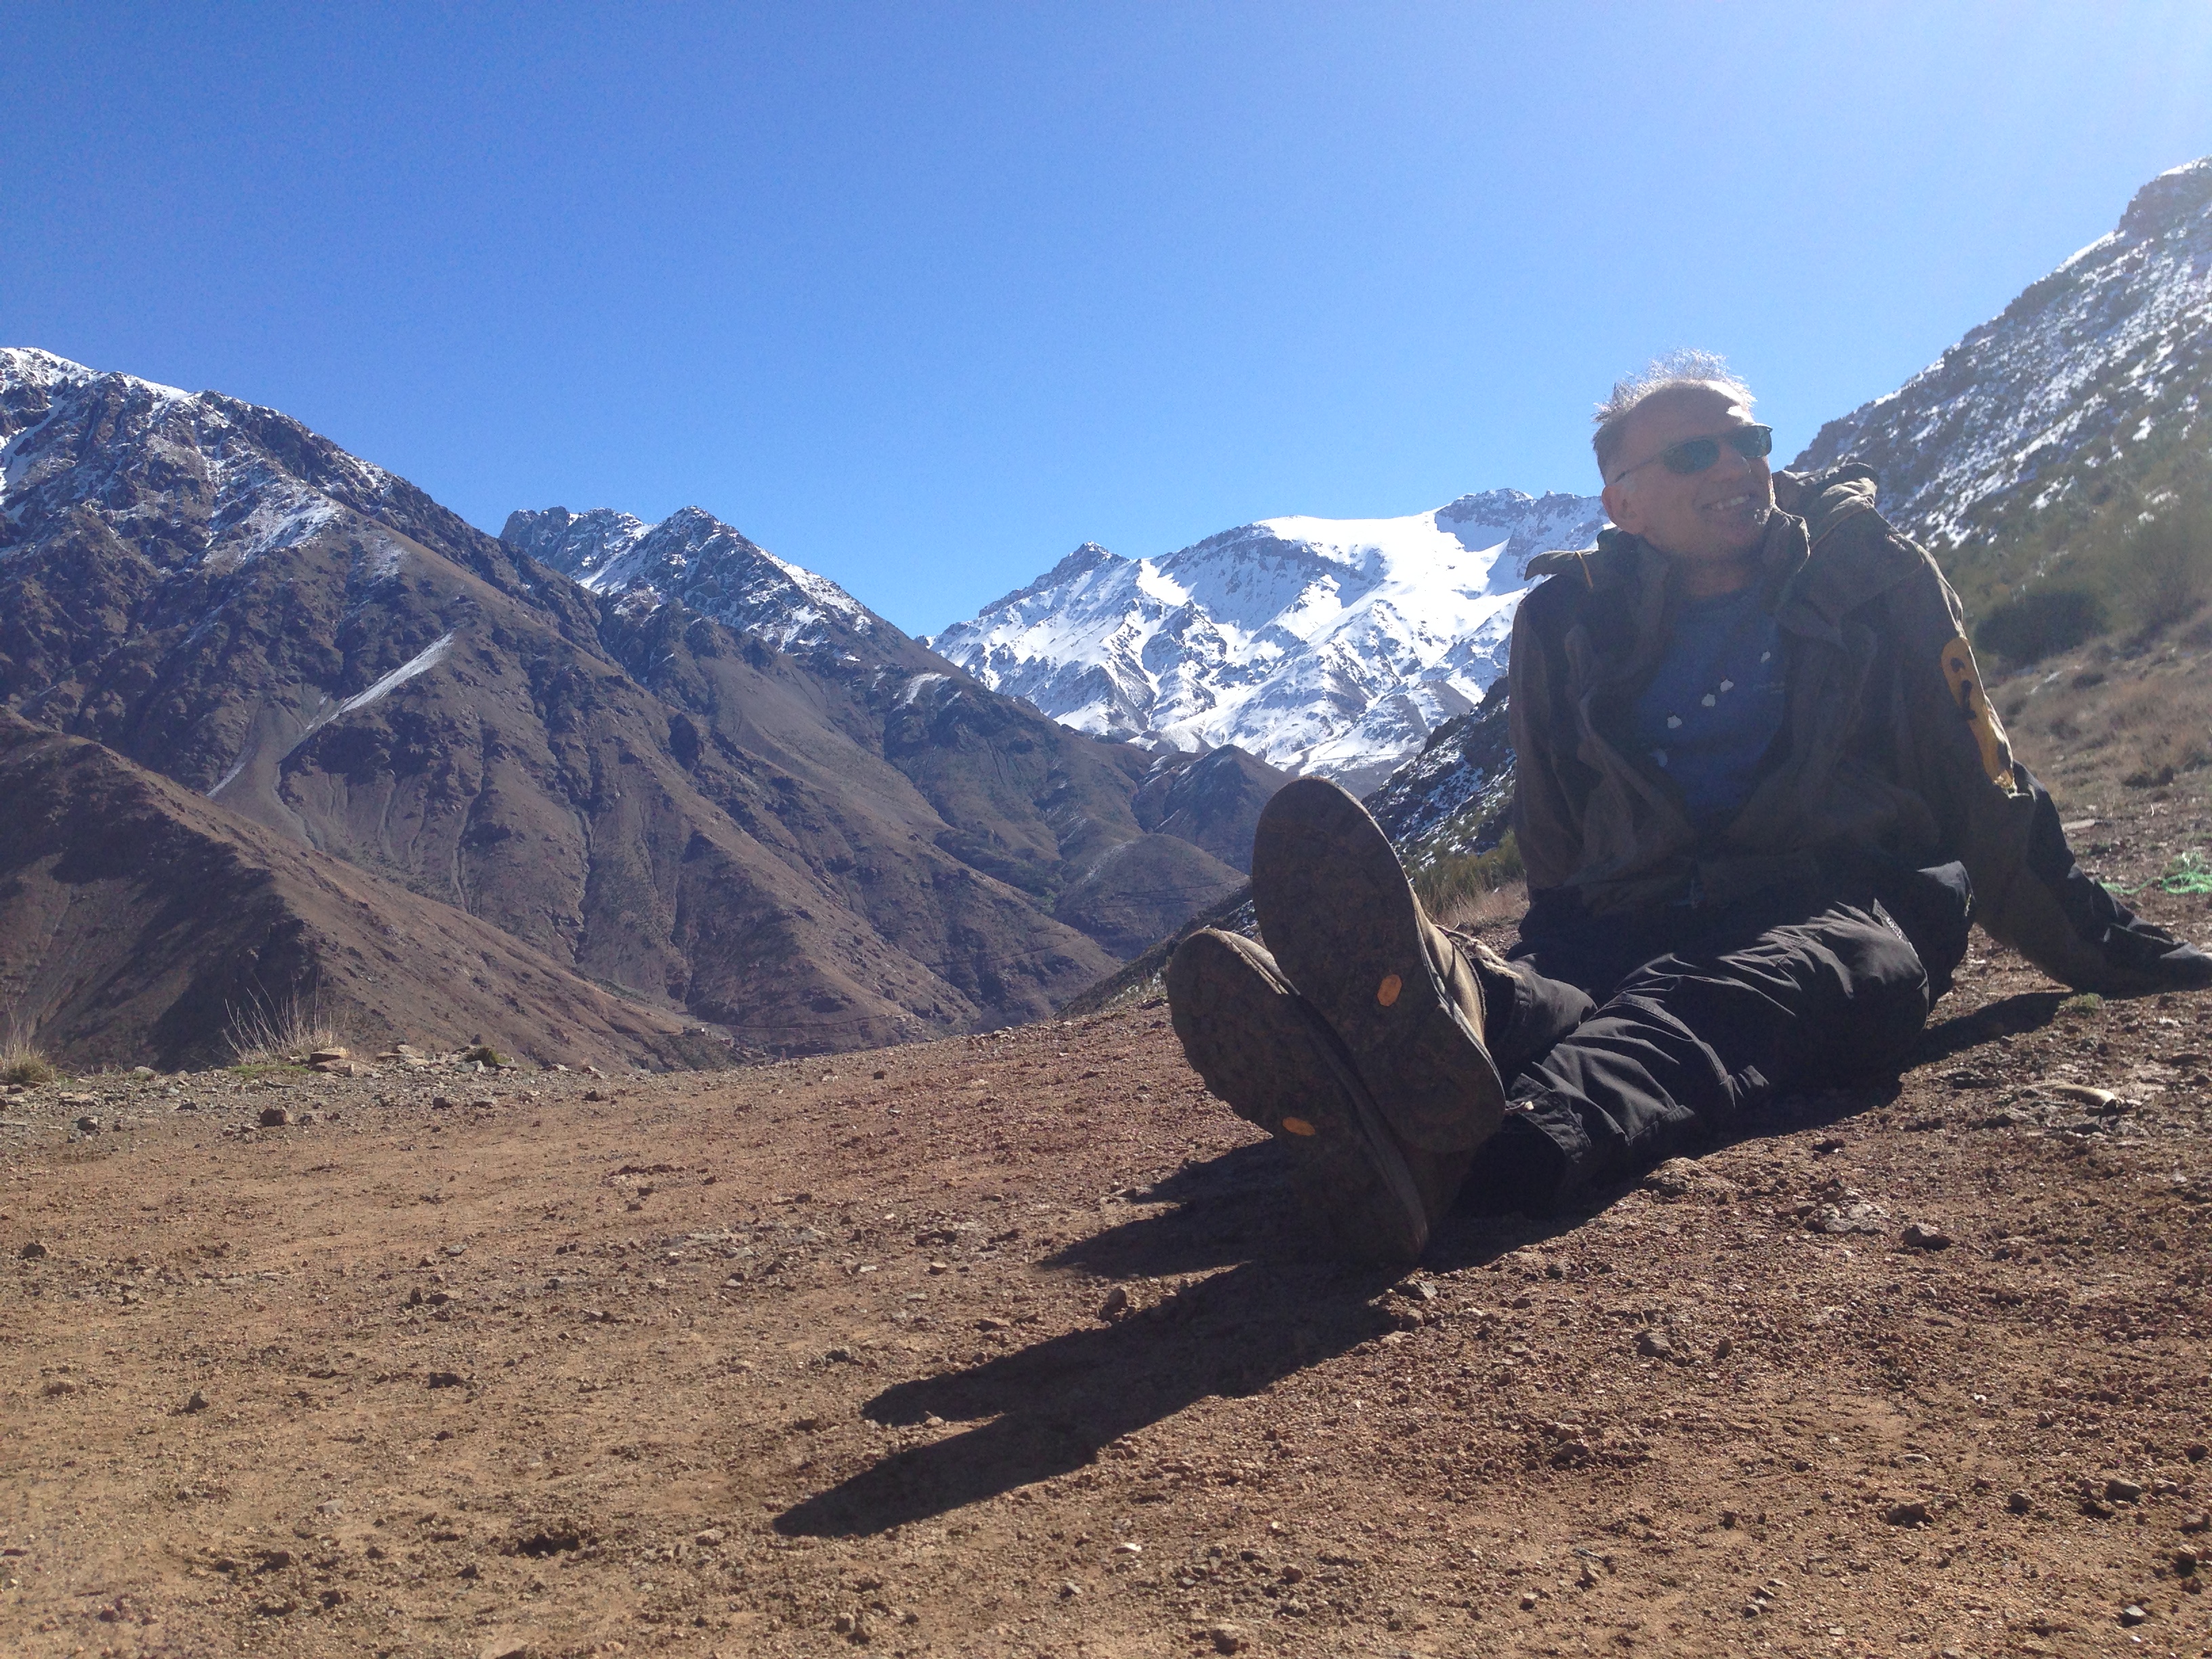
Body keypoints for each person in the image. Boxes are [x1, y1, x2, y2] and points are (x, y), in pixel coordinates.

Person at [1166, 352, 2212, 1263]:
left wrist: (2107, 950)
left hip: (1843, 903)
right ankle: (1442, 1003)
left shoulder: (1872, 573)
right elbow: (1553, 829)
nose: (1735, 466)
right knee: (1567, 990)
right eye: (1694, 454)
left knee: (1752, 989)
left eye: (1748, 441)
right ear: (1622, 503)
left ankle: (1483, 1144)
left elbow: (1981, 774)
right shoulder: (1566, 620)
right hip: (1633, 911)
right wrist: (1555, 947)